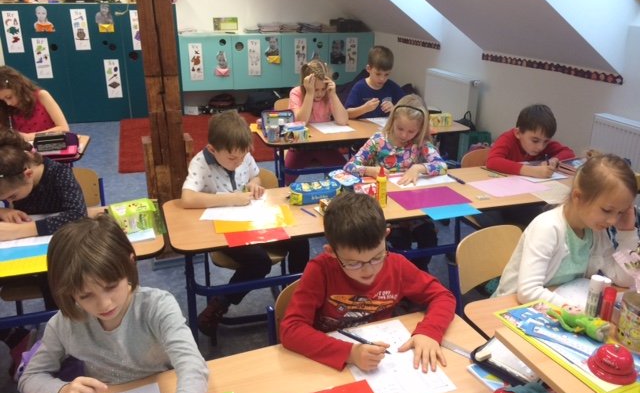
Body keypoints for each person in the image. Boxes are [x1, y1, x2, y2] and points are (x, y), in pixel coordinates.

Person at [18, 215, 209, 393]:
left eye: (111, 287)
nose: (105, 304)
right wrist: (60, 391)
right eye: (86, 296)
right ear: (69, 292)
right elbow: (30, 377)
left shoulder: (157, 306)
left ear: (130, 265)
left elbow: (192, 367)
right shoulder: (64, 324)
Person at [280, 192, 456, 372]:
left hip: (382, 352)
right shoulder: (320, 271)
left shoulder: (396, 265)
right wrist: (350, 353)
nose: (368, 270)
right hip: (332, 359)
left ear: (386, 236)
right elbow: (291, 330)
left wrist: (429, 332)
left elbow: (443, 296)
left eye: (377, 257)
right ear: (331, 252)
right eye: (353, 263)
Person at [180, 110, 310, 343]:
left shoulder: (241, 154)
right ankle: (220, 304)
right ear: (212, 149)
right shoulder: (201, 163)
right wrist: (230, 198)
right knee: (259, 261)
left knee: (300, 238)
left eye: (242, 157)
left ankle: (296, 298)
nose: (238, 162)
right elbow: (187, 199)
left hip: (254, 221)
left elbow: (255, 176)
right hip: (222, 230)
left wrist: (254, 184)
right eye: (232, 159)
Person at [494, 153, 637, 306]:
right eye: (607, 210)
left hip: (553, 305)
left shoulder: (596, 231)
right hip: (511, 306)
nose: (613, 220)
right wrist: (571, 308)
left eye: (620, 212)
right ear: (577, 197)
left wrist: (627, 233)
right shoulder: (548, 227)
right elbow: (528, 292)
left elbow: (624, 279)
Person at [344, 94, 446, 267]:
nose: (405, 135)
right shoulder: (379, 140)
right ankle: (400, 272)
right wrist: (370, 170)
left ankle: (418, 271)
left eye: (411, 131)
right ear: (392, 122)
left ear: (420, 129)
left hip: (412, 207)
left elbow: (441, 165)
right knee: (400, 241)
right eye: (400, 129)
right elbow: (349, 166)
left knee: (428, 239)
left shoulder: (420, 143)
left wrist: (418, 168)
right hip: (385, 208)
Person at [0, 128, 86, 241]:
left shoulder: (59, 173)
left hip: (61, 240)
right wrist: (2, 211)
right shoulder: (8, 180)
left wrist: (20, 230)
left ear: (28, 175)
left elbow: (78, 215)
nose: (9, 202)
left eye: (12, 196)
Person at [285, 60, 349, 185]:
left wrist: (333, 95)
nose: (319, 93)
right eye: (315, 89)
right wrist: (309, 94)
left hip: (324, 145)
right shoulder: (296, 92)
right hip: (301, 146)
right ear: (306, 85)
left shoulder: (328, 93)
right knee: (286, 176)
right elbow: (301, 122)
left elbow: (343, 120)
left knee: (345, 174)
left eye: (323, 89)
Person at [487, 103, 576, 178]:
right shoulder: (507, 139)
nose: (540, 147)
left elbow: (568, 152)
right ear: (518, 133)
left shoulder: (542, 141)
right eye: (535, 141)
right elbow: (492, 161)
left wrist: (554, 160)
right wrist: (533, 171)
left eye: (546, 141)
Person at [0, 65, 70, 141]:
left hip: (49, 143)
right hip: (25, 147)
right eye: (3, 100)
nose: (8, 103)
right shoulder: (5, 107)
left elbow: (64, 128)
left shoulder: (41, 96)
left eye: (9, 97)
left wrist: (30, 137)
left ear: (18, 87)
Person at [344, 45, 405, 120]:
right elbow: (347, 114)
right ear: (368, 69)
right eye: (378, 74)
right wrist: (364, 109)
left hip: (383, 126)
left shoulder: (391, 86)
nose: (382, 79)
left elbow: (408, 108)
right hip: (363, 126)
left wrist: (394, 109)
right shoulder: (359, 87)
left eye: (386, 74)